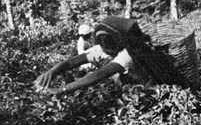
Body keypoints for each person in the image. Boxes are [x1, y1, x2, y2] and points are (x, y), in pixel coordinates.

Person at [35, 16, 186, 95]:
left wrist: (61, 89)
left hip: (153, 89)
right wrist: (52, 71)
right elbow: (72, 62)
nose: (103, 50)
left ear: (118, 43)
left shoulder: (127, 55)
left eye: (107, 48)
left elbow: (96, 76)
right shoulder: (103, 48)